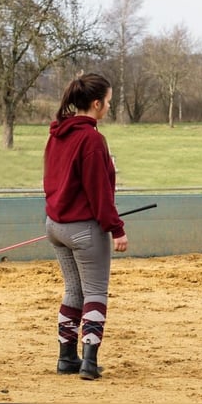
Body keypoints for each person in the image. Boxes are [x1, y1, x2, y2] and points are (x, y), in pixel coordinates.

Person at [43, 72, 128, 380]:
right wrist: (116, 228)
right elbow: (99, 191)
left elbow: (55, 182)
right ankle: (89, 363)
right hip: (83, 229)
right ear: (96, 103)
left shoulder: (57, 134)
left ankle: (67, 358)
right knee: (95, 293)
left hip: (55, 225)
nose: (108, 107)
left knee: (73, 291)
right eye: (108, 102)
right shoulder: (91, 139)